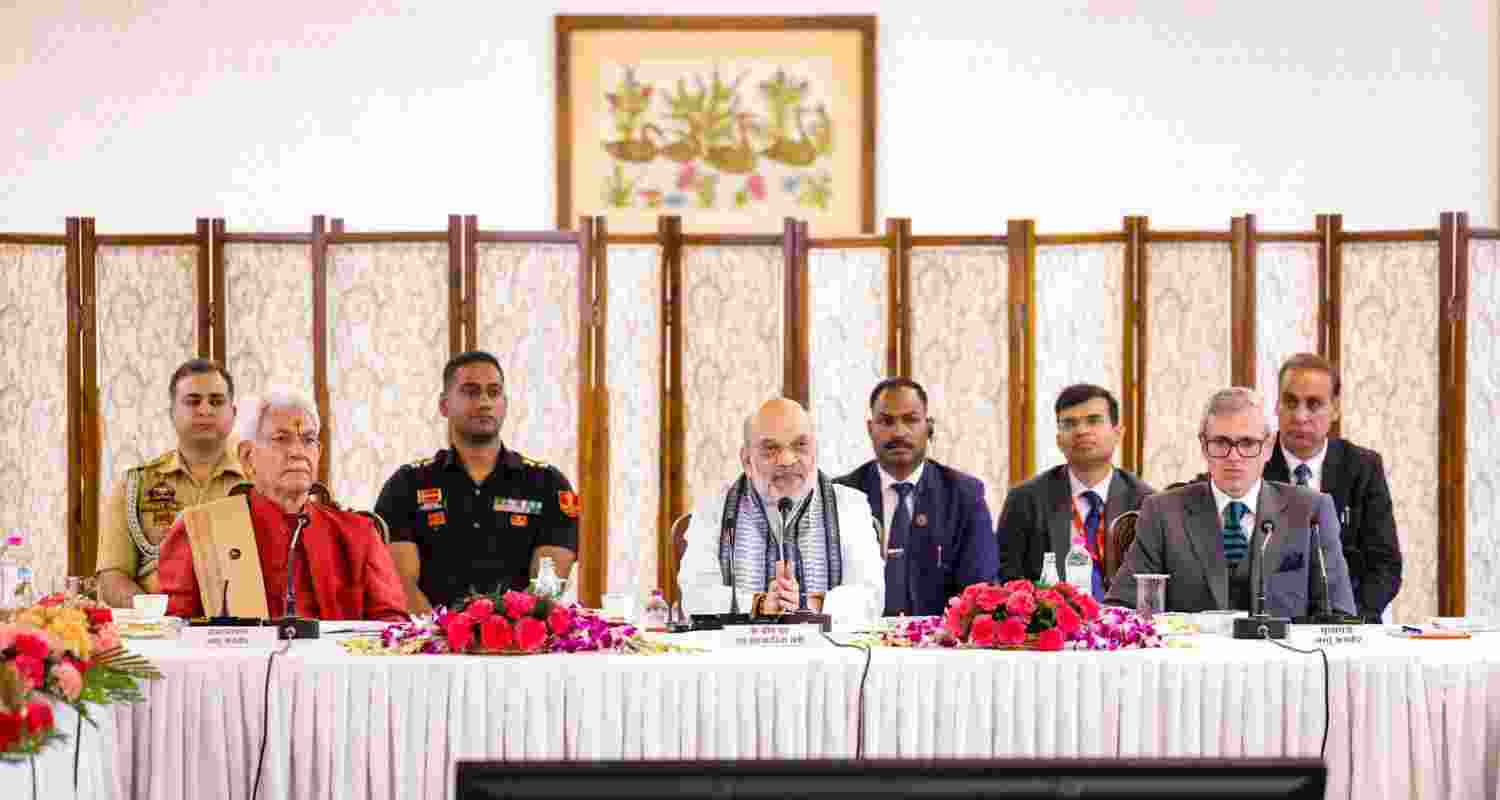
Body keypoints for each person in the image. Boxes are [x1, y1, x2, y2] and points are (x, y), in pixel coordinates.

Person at [1106, 387, 1356, 618]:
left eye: (1247, 443)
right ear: (1204, 446)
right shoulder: (1162, 512)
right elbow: (1122, 609)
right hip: (1192, 662)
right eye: (1221, 443)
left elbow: (1339, 614)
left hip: (1284, 662)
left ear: (1268, 447)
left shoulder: (1311, 510)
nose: (1234, 457)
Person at [157, 392, 407, 621]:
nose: (298, 452)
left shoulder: (358, 534)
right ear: (247, 456)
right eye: (281, 439)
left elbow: (391, 629)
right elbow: (175, 632)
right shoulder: (203, 531)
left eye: (308, 440)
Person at [375, 351, 577, 614]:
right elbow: (401, 584)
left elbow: (546, 587)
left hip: (522, 648)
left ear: (505, 403)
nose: (484, 402)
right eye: (471, 392)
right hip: (431, 648)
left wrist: (501, 634)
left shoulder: (549, 484)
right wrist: (443, 637)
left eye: (494, 392)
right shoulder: (405, 485)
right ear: (444, 405)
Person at [678, 398, 883, 618]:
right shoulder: (714, 512)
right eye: (770, 449)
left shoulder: (849, 506)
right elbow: (695, 596)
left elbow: (870, 596)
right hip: (737, 651)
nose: (786, 460)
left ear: (815, 452)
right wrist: (761, 604)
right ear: (747, 461)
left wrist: (808, 604)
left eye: (800, 446)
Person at [833, 377, 997, 615]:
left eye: (910, 420)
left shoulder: (964, 495)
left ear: (928, 427)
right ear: (870, 429)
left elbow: (980, 590)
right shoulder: (842, 495)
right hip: (857, 643)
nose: (899, 432)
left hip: (940, 645)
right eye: (886, 421)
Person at [95, 359, 247, 608]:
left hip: (244, 631)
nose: (205, 410)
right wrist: (157, 617)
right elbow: (112, 576)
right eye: (193, 401)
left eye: (217, 401)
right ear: (172, 412)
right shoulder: (136, 485)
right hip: (158, 634)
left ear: (234, 412)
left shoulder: (258, 483)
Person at [1264, 353, 1401, 621]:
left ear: (1335, 409)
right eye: (1290, 402)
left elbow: (1385, 565)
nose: (1300, 416)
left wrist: (1351, 619)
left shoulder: (1362, 467)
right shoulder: (1257, 460)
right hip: (1273, 621)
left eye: (1313, 404)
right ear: (1277, 405)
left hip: (1350, 620)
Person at [997, 384, 1153, 598]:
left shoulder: (1146, 502)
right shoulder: (1025, 500)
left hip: (1124, 623)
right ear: (1059, 440)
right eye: (1069, 423)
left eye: (1094, 420)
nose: (1081, 431)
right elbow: (1008, 580)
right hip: (1052, 624)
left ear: (1118, 433)